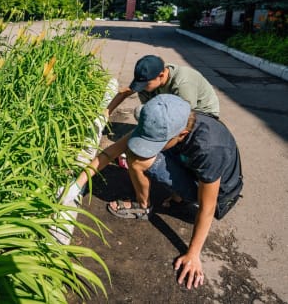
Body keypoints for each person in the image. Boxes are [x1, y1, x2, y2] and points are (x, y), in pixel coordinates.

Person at [63, 94, 243, 290]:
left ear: (181, 134)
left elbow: (208, 208)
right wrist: (76, 185)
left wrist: (193, 254)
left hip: (216, 195)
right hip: (191, 168)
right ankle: (174, 194)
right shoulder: (169, 120)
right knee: (133, 150)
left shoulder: (209, 148)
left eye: (156, 142)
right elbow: (112, 151)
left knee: (137, 158)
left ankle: (144, 206)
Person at [106, 55, 220, 118]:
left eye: (146, 84)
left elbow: (187, 116)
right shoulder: (150, 74)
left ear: (161, 75)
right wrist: (105, 114)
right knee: (142, 112)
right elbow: (125, 92)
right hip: (174, 107)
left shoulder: (182, 83)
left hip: (203, 115)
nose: (143, 87)